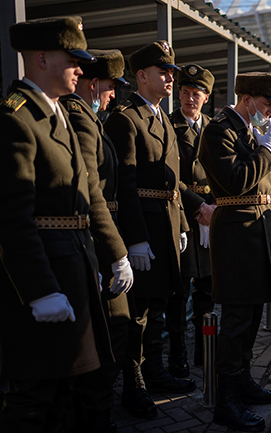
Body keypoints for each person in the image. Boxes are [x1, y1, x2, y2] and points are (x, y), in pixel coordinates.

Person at [0, 16, 116, 432]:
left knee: (67, 389)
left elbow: (81, 196)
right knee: (33, 397)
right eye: (73, 60)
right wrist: (40, 290)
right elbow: (12, 218)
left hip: (73, 268)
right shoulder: (16, 119)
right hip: (44, 277)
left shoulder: (57, 114)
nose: (81, 69)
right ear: (43, 58)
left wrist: (104, 259)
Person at [103, 41, 197, 408]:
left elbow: (174, 183)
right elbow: (124, 186)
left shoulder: (161, 117)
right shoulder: (125, 119)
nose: (170, 78)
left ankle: (155, 371)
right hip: (144, 226)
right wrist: (136, 240)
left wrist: (184, 227)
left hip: (168, 224)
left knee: (158, 305)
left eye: (171, 72)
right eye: (163, 72)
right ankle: (134, 383)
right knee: (137, 313)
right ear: (141, 76)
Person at [198, 72, 271, 431]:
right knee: (235, 322)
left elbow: (266, 191)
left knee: (250, 317)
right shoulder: (220, 130)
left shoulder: (249, 129)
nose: (270, 113)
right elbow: (237, 181)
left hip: (258, 231)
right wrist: (266, 151)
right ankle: (227, 399)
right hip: (236, 234)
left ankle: (244, 381)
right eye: (266, 105)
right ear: (247, 99)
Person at [62, 48, 138, 432]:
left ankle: (96, 412)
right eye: (110, 88)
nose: (113, 96)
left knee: (112, 330)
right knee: (111, 330)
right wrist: (115, 253)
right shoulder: (81, 119)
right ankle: (94, 417)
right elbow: (90, 190)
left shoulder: (91, 118)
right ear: (95, 85)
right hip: (94, 241)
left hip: (99, 236)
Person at [167, 64, 216, 376]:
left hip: (211, 217)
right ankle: (177, 355)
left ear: (206, 97)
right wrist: (199, 205)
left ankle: (203, 351)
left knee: (208, 291)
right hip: (183, 216)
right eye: (185, 93)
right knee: (179, 292)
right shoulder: (169, 126)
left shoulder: (214, 127)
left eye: (196, 94)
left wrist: (214, 206)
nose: (189, 98)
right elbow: (169, 175)